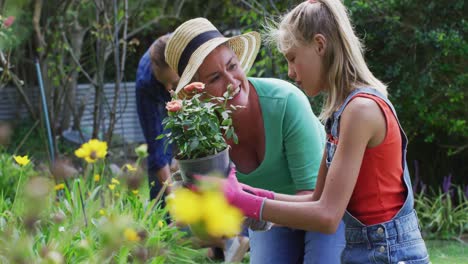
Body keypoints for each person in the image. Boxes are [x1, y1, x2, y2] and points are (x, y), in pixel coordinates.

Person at [213, 0, 430, 263]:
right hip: (364, 253)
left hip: (390, 256)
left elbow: (327, 217)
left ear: (319, 45)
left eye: (292, 58)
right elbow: (316, 199)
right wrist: (247, 192)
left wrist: (245, 202)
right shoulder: (341, 112)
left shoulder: (361, 110)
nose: (291, 72)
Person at [165, 18, 345, 263]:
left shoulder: (285, 102)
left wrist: (249, 204)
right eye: (215, 78)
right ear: (198, 93)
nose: (232, 82)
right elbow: (204, 225)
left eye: (232, 66)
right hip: (268, 216)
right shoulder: (200, 133)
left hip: (324, 207)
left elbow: (317, 200)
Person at [135, 33, 179, 200]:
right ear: (154, 67)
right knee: (162, 153)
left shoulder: (194, 60)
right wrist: (172, 196)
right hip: (152, 92)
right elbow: (155, 149)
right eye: (164, 81)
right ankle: (162, 215)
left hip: (187, 81)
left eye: (173, 82)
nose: (169, 89)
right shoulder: (145, 83)